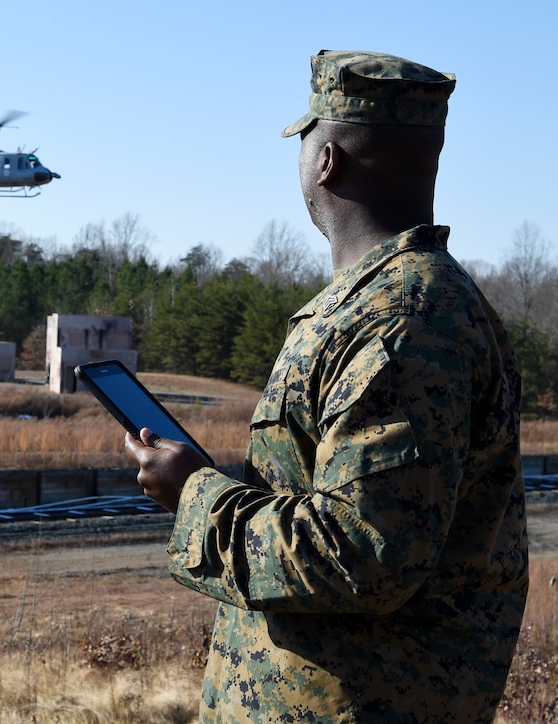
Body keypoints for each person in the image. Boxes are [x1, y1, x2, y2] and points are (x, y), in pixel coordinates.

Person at [125, 49, 528, 722]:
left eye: (305, 139)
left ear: (326, 160)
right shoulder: (390, 306)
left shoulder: (398, 324)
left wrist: (196, 494)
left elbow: (362, 553)